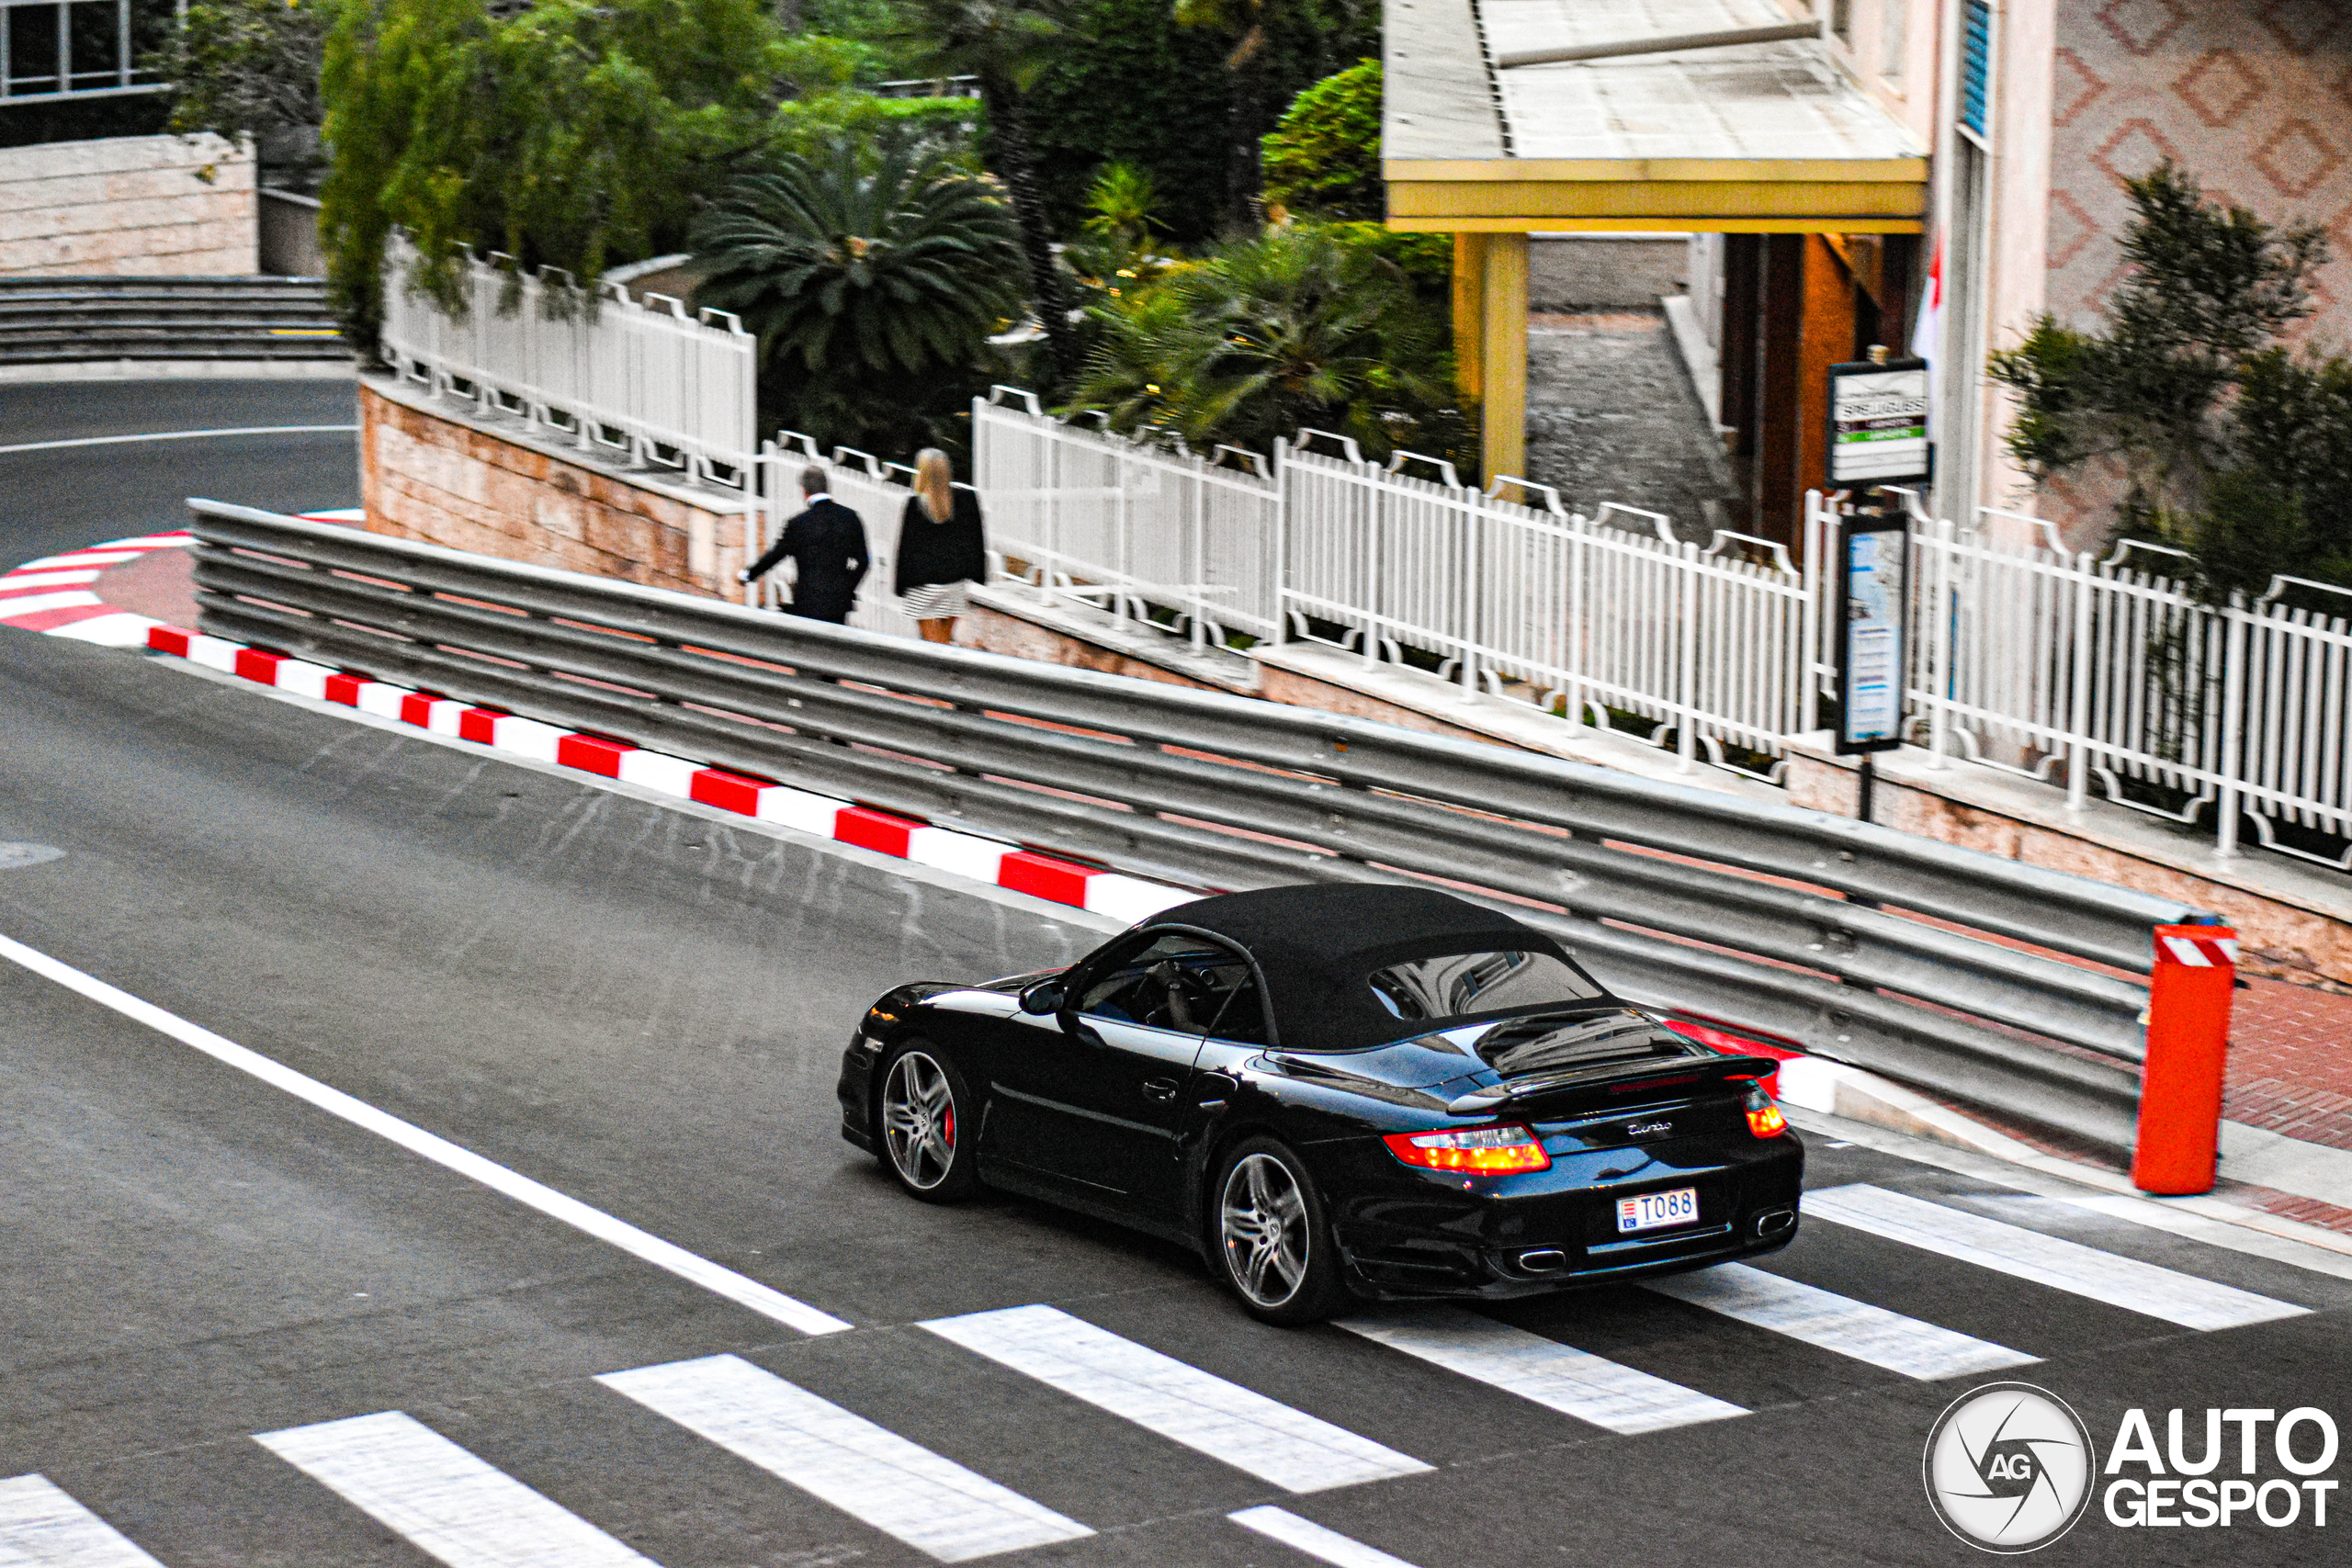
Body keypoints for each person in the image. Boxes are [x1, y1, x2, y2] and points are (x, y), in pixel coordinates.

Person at [739, 466, 869, 624]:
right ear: (827, 487)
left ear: (804, 490)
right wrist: (845, 588)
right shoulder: (850, 518)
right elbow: (863, 562)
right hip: (838, 604)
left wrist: (748, 574)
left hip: (807, 601)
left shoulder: (798, 523)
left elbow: (775, 555)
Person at [894, 448, 987, 644]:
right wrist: (979, 576)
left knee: (930, 642)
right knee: (944, 640)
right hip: (954, 583)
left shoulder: (914, 505)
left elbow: (906, 549)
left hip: (923, 587)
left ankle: (934, 673)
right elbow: (976, 540)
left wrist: (900, 586)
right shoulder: (967, 500)